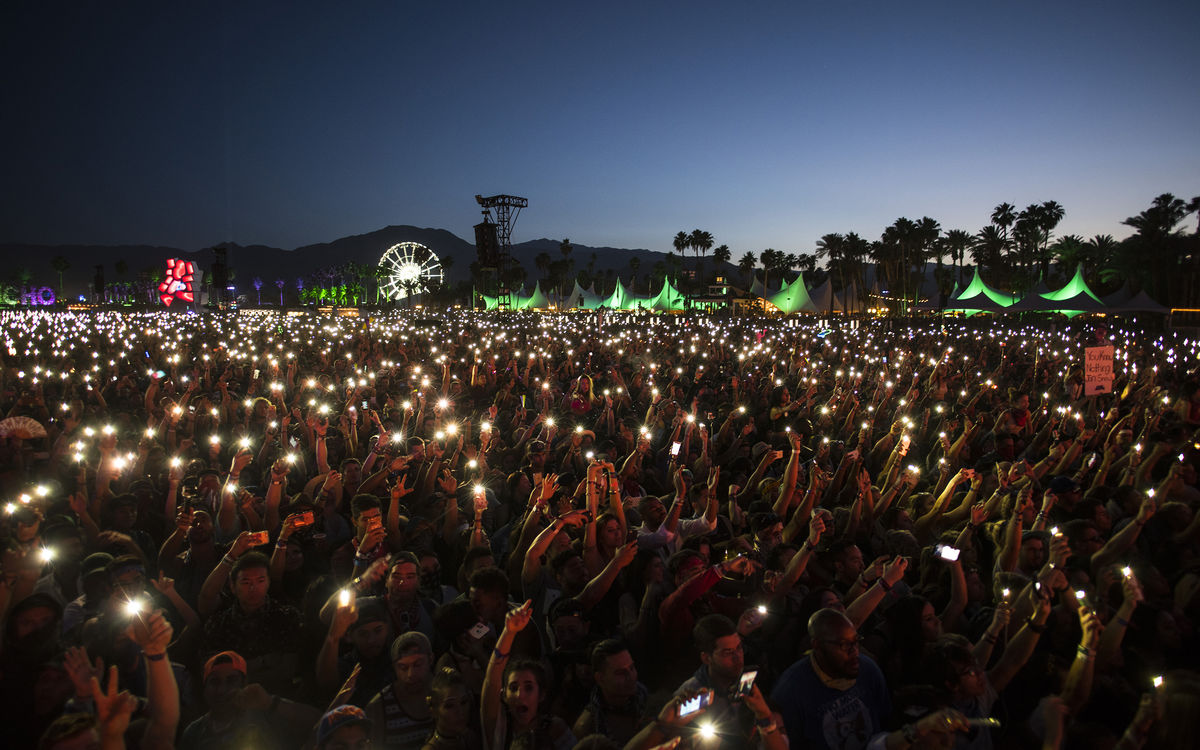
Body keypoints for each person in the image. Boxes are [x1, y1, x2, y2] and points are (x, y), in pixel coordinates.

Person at [771, 608, 892, 750]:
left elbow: (886, 719)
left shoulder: (867, 669)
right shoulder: (791, 691)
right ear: (817, 645)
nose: (854, 651)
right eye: (844, 644)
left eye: (855, 641)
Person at [363, 631, 435, 749]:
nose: (411, 674)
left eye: (417, 664)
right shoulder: (379, 707)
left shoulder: (446, 693)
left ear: (431, 659)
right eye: (403, 667)